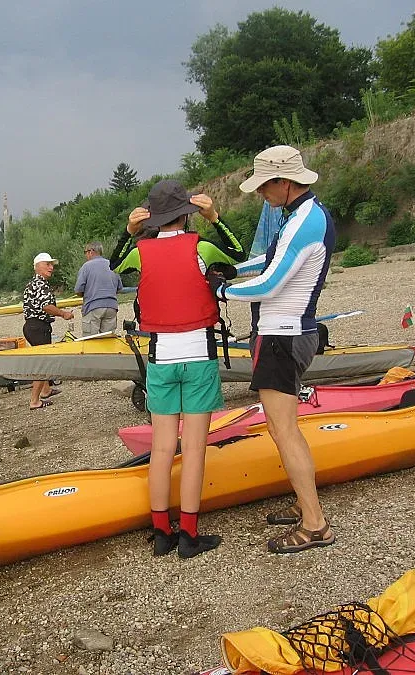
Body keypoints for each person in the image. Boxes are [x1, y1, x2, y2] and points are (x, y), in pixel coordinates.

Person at [110, 179, 243, 559]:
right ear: (186, 212)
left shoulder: (140, 250)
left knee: (163, 447)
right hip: (198, 356)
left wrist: (128, 231)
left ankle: (160, 532)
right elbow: (238, 254)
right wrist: (215, 217)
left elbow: (112, 267)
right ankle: (188, 535)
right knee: (195, 449)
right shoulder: (201, 246)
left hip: (160, 358)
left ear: (153, 217)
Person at [221, 145, 336, 554]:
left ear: (284, 182)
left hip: (283, 336)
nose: (260, 195)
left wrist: (220, 289)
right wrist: (234, 271)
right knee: (281, 428)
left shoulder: (305, 221)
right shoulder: (302, 215)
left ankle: (316, 524)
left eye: (263, 187)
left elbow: (270, 285)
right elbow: (268, 264)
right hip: (288, 333)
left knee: (284, 431)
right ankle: (307, 506)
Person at [22, 253, 74, 410]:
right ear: (37, 266)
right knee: (42, 364)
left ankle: (45, 390)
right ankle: (34, 401)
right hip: (38, 327)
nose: (51, 267)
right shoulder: (41, 285)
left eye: (52, 265)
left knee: (40, 359)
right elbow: (46, 306)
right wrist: (63, 313)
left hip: (32, 326)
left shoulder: (32, 283)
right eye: (47, 264)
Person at [74, 242, 123, 336]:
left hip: (93, 307)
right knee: (108, 340)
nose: (85, 255)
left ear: (91, 252)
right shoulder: (112, 264)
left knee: (90, 340)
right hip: (112, 307)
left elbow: (78, 290)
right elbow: (119, 288)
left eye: (85, 252)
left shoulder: (86, 266)